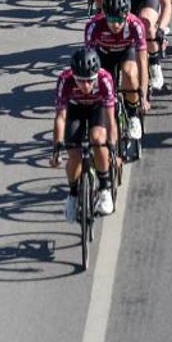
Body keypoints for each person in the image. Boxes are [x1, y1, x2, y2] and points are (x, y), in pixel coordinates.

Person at [51, 46, 117, 220]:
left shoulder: (105, 79)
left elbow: (111, 119)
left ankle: (104, 189)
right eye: (80, 81)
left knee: (98, 139)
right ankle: (72, 195)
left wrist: (112, 145)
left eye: (90, 81)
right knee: (74, 155)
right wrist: (57, 146)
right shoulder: (64, 81)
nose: (86, 86)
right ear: (73, 76)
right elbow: (60, 118)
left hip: (98, 108)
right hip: (75, 109)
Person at [104, 0, 169, 90]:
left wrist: (162, 29)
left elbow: (166, 5)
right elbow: (107, 3)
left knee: (147, 25)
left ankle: (154, 63)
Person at [85, 0, 148, 141]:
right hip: (104, 55)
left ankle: (132, 115)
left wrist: (143, 96)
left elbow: (143, 62)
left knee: (130, 73)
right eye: (111, 19)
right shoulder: (94, 26)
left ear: (127, 16)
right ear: (104, 15)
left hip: (127, 51)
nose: (116, 24)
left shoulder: (136, 25)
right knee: (103, 92)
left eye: (120, 20)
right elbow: (89, 61)